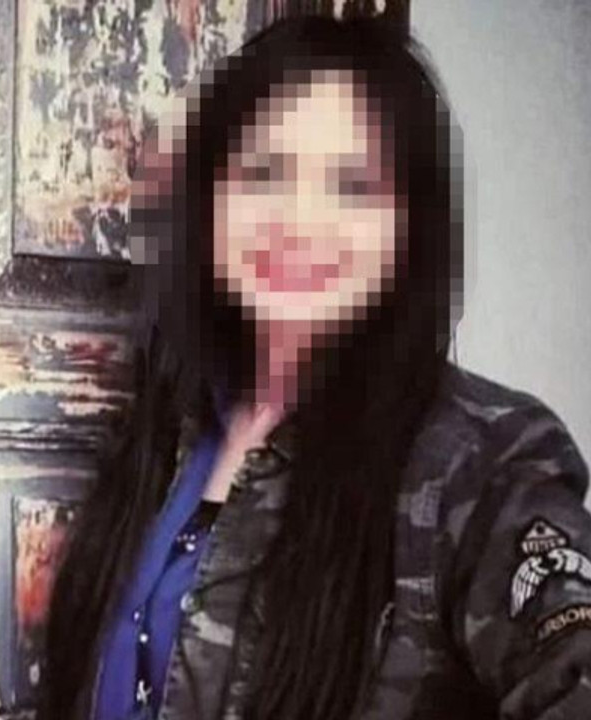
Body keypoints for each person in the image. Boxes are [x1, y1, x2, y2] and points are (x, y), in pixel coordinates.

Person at [40, 14, 591, 720]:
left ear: (408, 227)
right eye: (265, 173)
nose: (299, 219)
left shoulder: (480, 461)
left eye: (353, 185)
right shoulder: (169, 430)